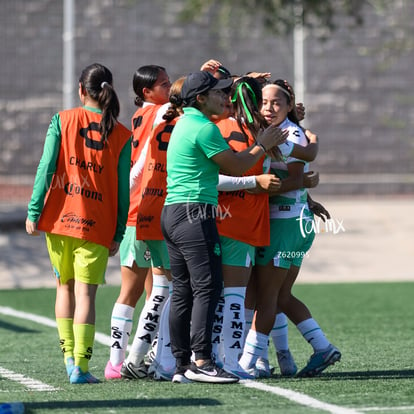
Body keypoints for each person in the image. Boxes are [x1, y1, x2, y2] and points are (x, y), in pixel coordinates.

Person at [160, 71, 288, 384]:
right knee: (208, 288)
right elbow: (238, 165)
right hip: (194, 213)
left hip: (173, 212)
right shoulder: (203, 127)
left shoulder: (185, 122)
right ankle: (202, 361)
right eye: (218, 93)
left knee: (184, 292)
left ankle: (180, 365)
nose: (224, 98)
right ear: (200, 99)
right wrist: (262, 144)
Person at [26, 63, 131, 384]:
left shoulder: (62, 119)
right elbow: (124, 189)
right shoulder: (122, 133)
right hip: (96, 225)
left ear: (81, 91)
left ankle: (69, 358)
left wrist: (33, 211)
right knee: (86, 295)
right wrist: (118, 231)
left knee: (64, 287)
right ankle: (81, 369)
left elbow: (46, 167)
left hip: (59, 220)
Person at [239, 79, 341, 378]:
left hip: (285, 222)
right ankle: (321, 348)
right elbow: (299, 176)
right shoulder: (276, 132)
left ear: (288, 106)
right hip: (291, 221)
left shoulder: (287, 134)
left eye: (276, 103)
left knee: (266, 297)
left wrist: (251, 189)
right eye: (264, 102)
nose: (269, 108)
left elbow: (298, 176)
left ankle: (247, 362)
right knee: (280, 296)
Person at [105, 65, 172, 380]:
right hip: (153, 211)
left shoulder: (139, 117)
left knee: (139, 292)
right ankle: (144, 357)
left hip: (137, 212)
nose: (169, 87)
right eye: (163, 83)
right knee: (161, 289)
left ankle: (118, 362)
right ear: (146, 91)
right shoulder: (161, 113)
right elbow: (190, 97)